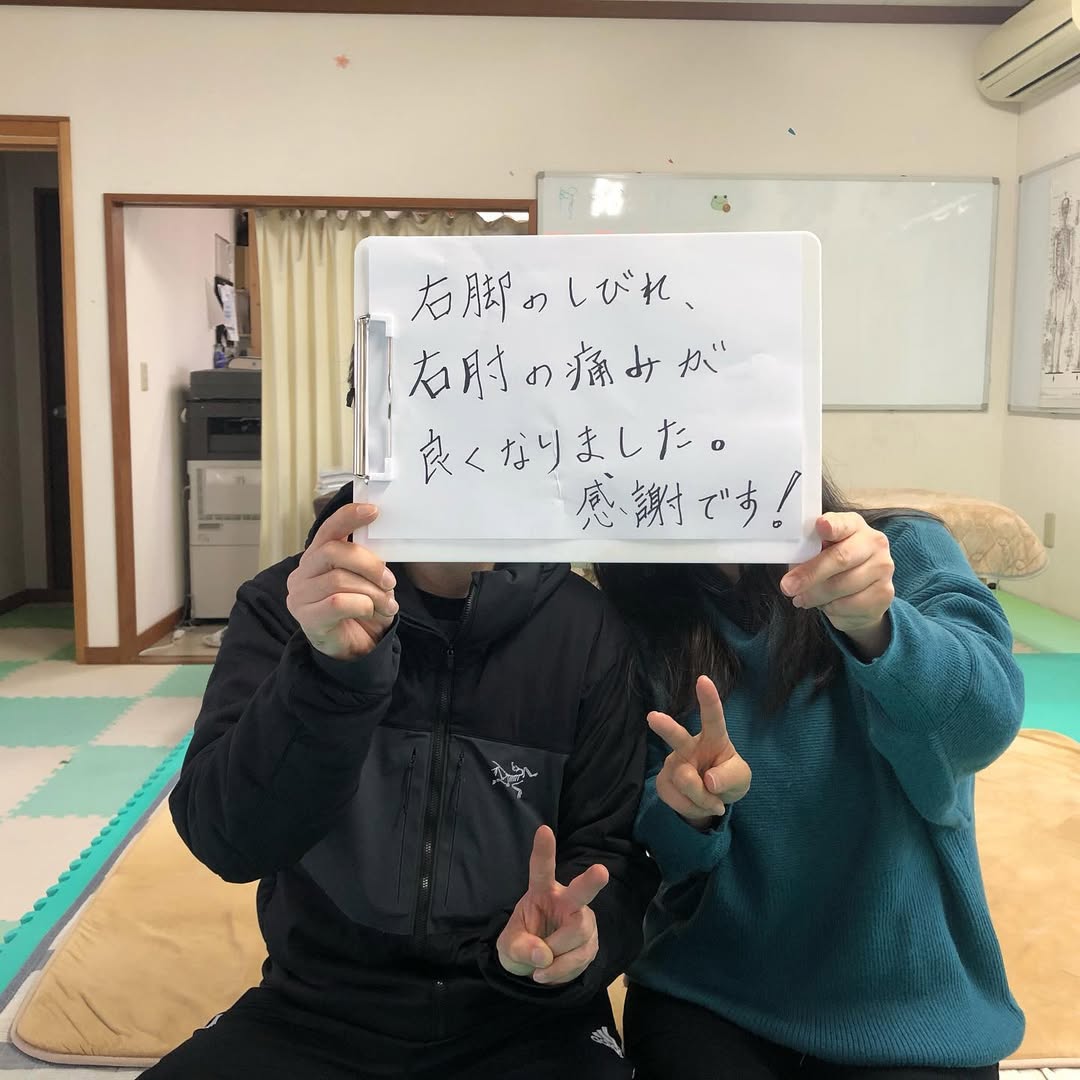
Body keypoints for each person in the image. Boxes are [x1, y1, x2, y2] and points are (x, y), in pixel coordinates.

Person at [147, 486, 657, 1079]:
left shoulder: (590, 630)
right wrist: (330, 675)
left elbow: (611, 853)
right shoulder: (289, 603)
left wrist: (580, 940)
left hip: (528, 1017)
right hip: (315, 1008)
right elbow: (227, 841)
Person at [596, 479, 1025, 1080]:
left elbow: (985, 723)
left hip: (910, 1005)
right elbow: (658, 852)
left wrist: (879, 626)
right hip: (711, 989)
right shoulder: (640, 607)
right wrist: (688, 810)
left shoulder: (898, 549)